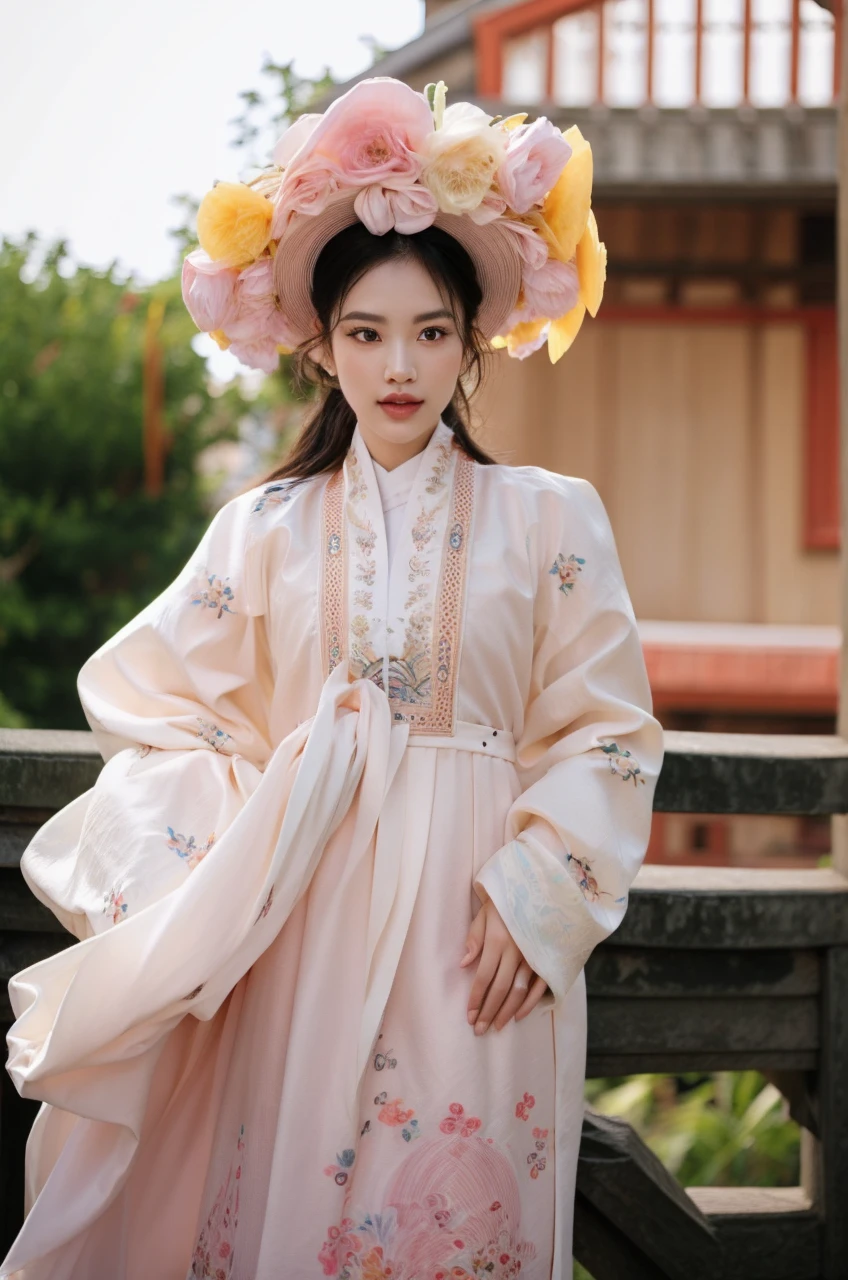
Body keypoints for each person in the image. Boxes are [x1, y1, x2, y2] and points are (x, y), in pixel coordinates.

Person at [2, 77, 664, 1280]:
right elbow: (147, 701)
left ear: (471, 342)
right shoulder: (265, 529)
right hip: (300, 913)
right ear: (322, 348)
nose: (397, 365)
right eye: (365, 332)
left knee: (450, 1217)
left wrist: (541, 889)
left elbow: (605, 730)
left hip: (483, 928)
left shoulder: (548, 519)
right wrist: (242, 833)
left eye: (428, 331)